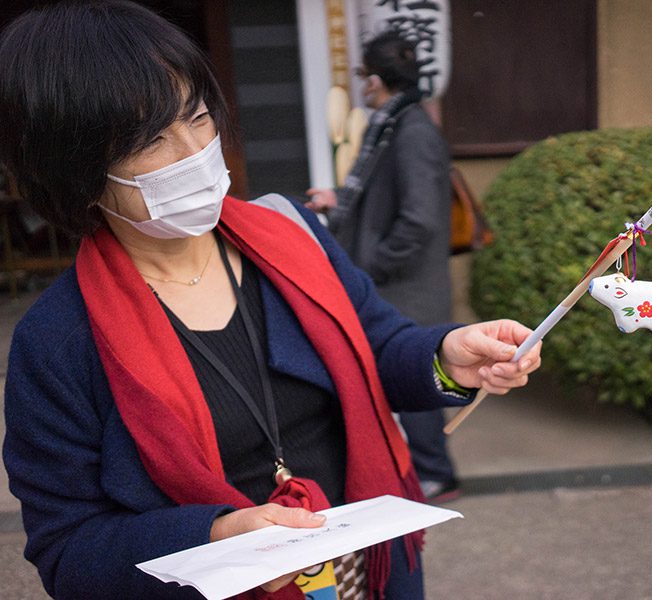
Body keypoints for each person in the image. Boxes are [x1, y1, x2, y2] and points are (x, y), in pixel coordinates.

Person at [0, 3, 541, 599]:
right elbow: (68, 548)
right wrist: (214, 536)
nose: (194, 151)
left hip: (368, 573)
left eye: (199, 117)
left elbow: (377, 342)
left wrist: (443, 353)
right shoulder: (59, 342)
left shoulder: (290, 234)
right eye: (152, 139)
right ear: (75, 169)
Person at [305, 31, 460, 502]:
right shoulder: (394, 123)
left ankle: (438, 474)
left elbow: (420, 219)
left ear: (376, 78)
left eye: (362, 75)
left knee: (415, 376)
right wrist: (338, 201)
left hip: (405, 284)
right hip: (398, 280)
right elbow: (393, 198)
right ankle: (432, 469)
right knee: (410, 374)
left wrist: (369, 266)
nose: (361, 87)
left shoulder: (411, 130)